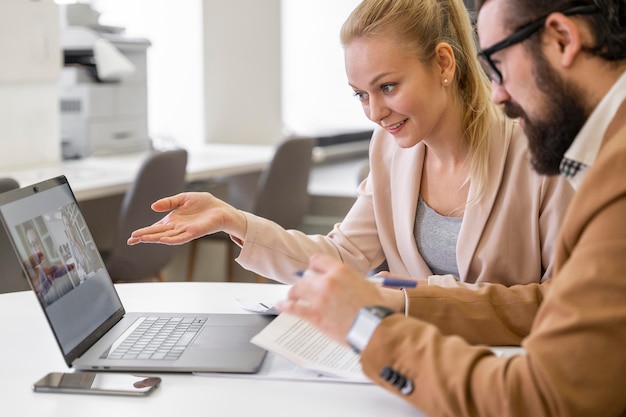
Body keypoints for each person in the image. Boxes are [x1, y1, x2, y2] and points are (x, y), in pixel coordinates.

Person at [277, 0, 626, 415]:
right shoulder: (604, 154)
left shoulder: (609, 172)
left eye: (498, 65)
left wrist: (369, 329)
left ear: (562, 39)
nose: (498, 93)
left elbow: (543, 395)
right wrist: (407, 302)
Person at [128, 0, 573, 291]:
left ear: (443, 63)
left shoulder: (534, 147)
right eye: (360, 94)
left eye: (388, 86)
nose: (374, 112)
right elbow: (343, 257)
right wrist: (235, 220)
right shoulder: (390, 149)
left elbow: (562, 295)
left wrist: (404, 295)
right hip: (418, 364)